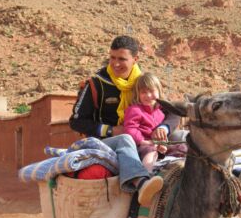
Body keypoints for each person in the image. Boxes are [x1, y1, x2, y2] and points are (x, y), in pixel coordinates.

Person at [69, 35, 181, 206]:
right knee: (125, 138)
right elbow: (76, 121)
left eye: (122, 59)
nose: (115, 63)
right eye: (112, 58)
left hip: (143, 139)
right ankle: (141, 183)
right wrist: (110, 130)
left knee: (182, 135)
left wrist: (164, 128)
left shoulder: (143, 83)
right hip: (106, 141)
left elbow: (173, 112)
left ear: (135, 59)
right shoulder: (96, 84)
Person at [123, 72, 180, 172]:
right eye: (143, 92)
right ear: (138, 94)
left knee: (182, 147)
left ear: (159, 91)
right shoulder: (135, 110)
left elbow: (174, 114)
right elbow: (130, 128)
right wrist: (142, 141)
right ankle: (147, 176)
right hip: (142, 145)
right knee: (150, 151)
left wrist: (162, 144)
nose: (148, 95)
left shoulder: (160, 111)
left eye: (151, 91)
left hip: (158, 145)